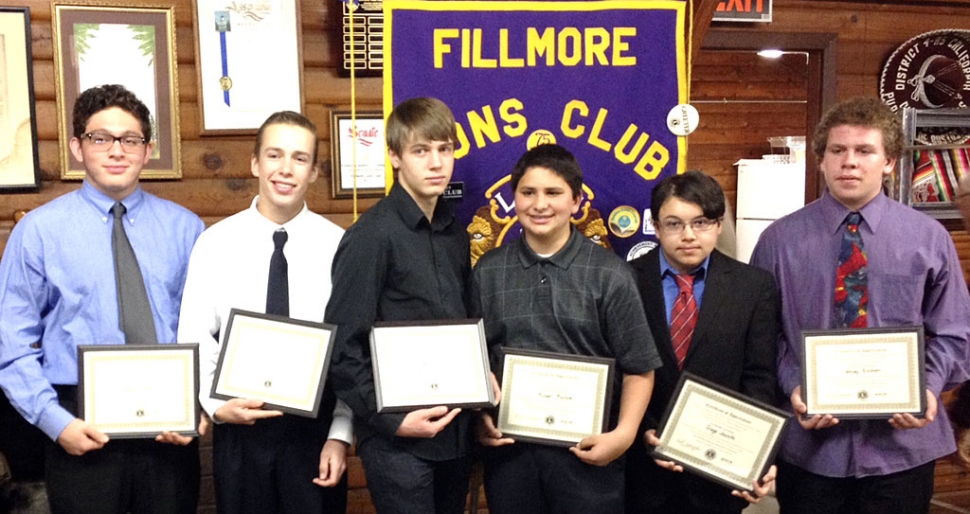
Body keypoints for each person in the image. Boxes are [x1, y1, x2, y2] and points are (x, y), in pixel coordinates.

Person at [750, 96, 970, 514]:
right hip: (810, 447)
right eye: (838, 150)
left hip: (901, 447)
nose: (849, 162)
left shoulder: (929, 239)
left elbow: (955, 331)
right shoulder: (778, 241)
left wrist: (926, 386)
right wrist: (795, 385)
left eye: (864, 151)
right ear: (821, 160)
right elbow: (762, 336)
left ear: (889, 161)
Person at [0, 84, 205, 514]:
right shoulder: (38, 233)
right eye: (100, 138)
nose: (117, 151)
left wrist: (200, 407)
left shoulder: (187, 230)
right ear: (77, 147)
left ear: (147, 150)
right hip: (79, 427)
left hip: (170, 426)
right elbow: (9, 343)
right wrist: (56, 424)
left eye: (130, 140)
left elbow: (209, 327)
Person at [177, 111, 352, 513]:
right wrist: (215, 407)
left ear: (313, 171)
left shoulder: (339, 246)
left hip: (315, 432)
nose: (285, 169)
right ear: (256, 163)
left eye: (300, 158)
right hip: (241, 427)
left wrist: (340, 433)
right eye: (274, 155)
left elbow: (349, 347)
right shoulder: (216, 242)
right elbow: (195, 335)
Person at [472, 143, 661, 514]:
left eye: (553, 193)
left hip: (589, 455)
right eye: (528, 192)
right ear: (515, 199)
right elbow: (474, 363)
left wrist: (622, 437)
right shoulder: (488, 271)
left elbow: (640, 367)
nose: (540, 204)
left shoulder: (612, 274)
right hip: (512, 455)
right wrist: (480, 418)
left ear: (576, 202)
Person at [325, 97, 473, 514]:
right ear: (394, 156)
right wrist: (391, 419)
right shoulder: (371, 235)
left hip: (453, 431)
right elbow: (342, 346)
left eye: (445, 149)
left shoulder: (454, 235)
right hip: (398, 440)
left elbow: (464, 327)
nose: (436, 162)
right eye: (421, 150)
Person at [624, 170, 780, 514]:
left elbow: (759, 378)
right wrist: (644, 429)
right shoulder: (625, 279)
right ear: (656, 225)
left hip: (717, 470)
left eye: (702, 222)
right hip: (641, 470)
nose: (689, 235)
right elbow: (619, 369)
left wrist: (755, 454)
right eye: (674, 223)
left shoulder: (753, 287)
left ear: (719, 225)